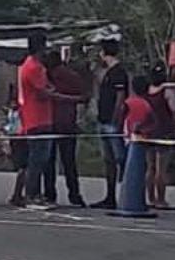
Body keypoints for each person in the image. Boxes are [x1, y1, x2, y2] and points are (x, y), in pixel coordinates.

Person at [18, 36, 61, 210]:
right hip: (37, 118)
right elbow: (44, 91)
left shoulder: (32, 66)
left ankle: (35, 194)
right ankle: (31, 195)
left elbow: (48, 87)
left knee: (40, 158)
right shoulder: (34, 67)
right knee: (38, 159)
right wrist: (66, 97)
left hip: (40, 117)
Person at [90, 40, 129, 209]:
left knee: (120, 158)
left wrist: (116, 118)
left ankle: (127, 193)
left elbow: (121, 97)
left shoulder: (118, 72)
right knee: (109, 160)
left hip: (112, 121)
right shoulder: (106, 72)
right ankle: (110, 195)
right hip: (103, 119)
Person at [44, 53, 85, 207]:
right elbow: (83, 97)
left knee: (53, 161)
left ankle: (52, 194)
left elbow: (82, 97)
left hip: (55, 122)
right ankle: (72, 194)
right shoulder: (71, 76)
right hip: (64, 123)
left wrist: (58, 96)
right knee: (66, 161)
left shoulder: (50, 77)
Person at [145, 62, 175, 211]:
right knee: (161, 169)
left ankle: (150, 198)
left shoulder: (147, 91)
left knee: (150, 167)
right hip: (164, 132)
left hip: (149, 132)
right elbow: (174, 110)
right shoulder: (167, 91)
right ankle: (161, 199)